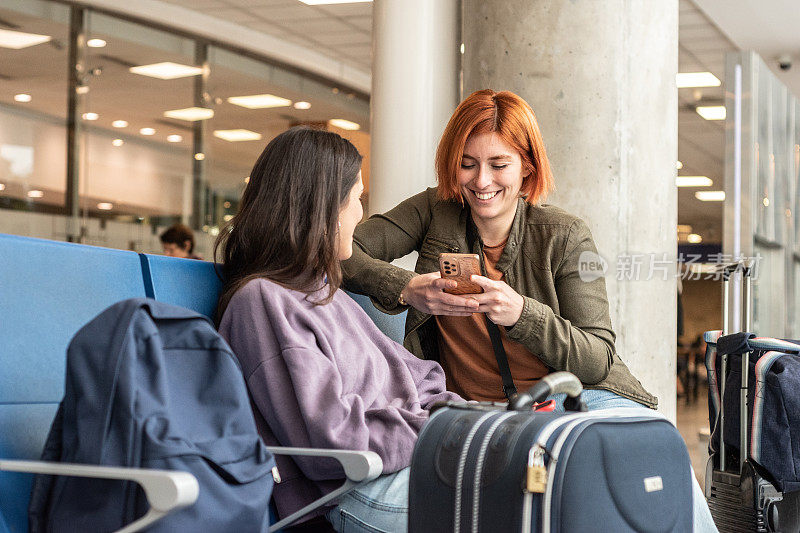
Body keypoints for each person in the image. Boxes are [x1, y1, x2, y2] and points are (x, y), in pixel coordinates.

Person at [342, 89, 717, 530]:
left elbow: (597, 356)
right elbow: (344, 250)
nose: (482, 181)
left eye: (499, 165)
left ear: (527, 168)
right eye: (467, 163)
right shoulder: (434, 211)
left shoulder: (566, 235)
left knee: (655, 456)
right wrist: (406, 287)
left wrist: (523, 314)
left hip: (574, 395)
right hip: (487, 414)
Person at [215, 126, 463, 532]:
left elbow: (423, 377)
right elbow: (333, 443)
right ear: (323, 208)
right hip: (351, 492)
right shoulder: (262, 302)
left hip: (403, 466)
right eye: (356, 199)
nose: (361, 214)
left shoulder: (327, 293)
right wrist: (435, 428)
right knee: (527, 503)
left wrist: (460, 423)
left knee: (551, 477)